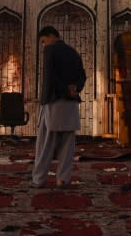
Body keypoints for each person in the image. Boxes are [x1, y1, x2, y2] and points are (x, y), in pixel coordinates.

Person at [31, 26, 87, 189]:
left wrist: (44, 101)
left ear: (50, 36)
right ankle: (62, 179)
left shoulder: (50, 50)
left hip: (54, 102)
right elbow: (82, 76)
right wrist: (74, 89)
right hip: (71, 103)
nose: (43, 44)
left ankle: (39, 179)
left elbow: (49, 77)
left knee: (45, 144)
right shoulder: (73, 52)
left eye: (43, 41)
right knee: (68, 144)